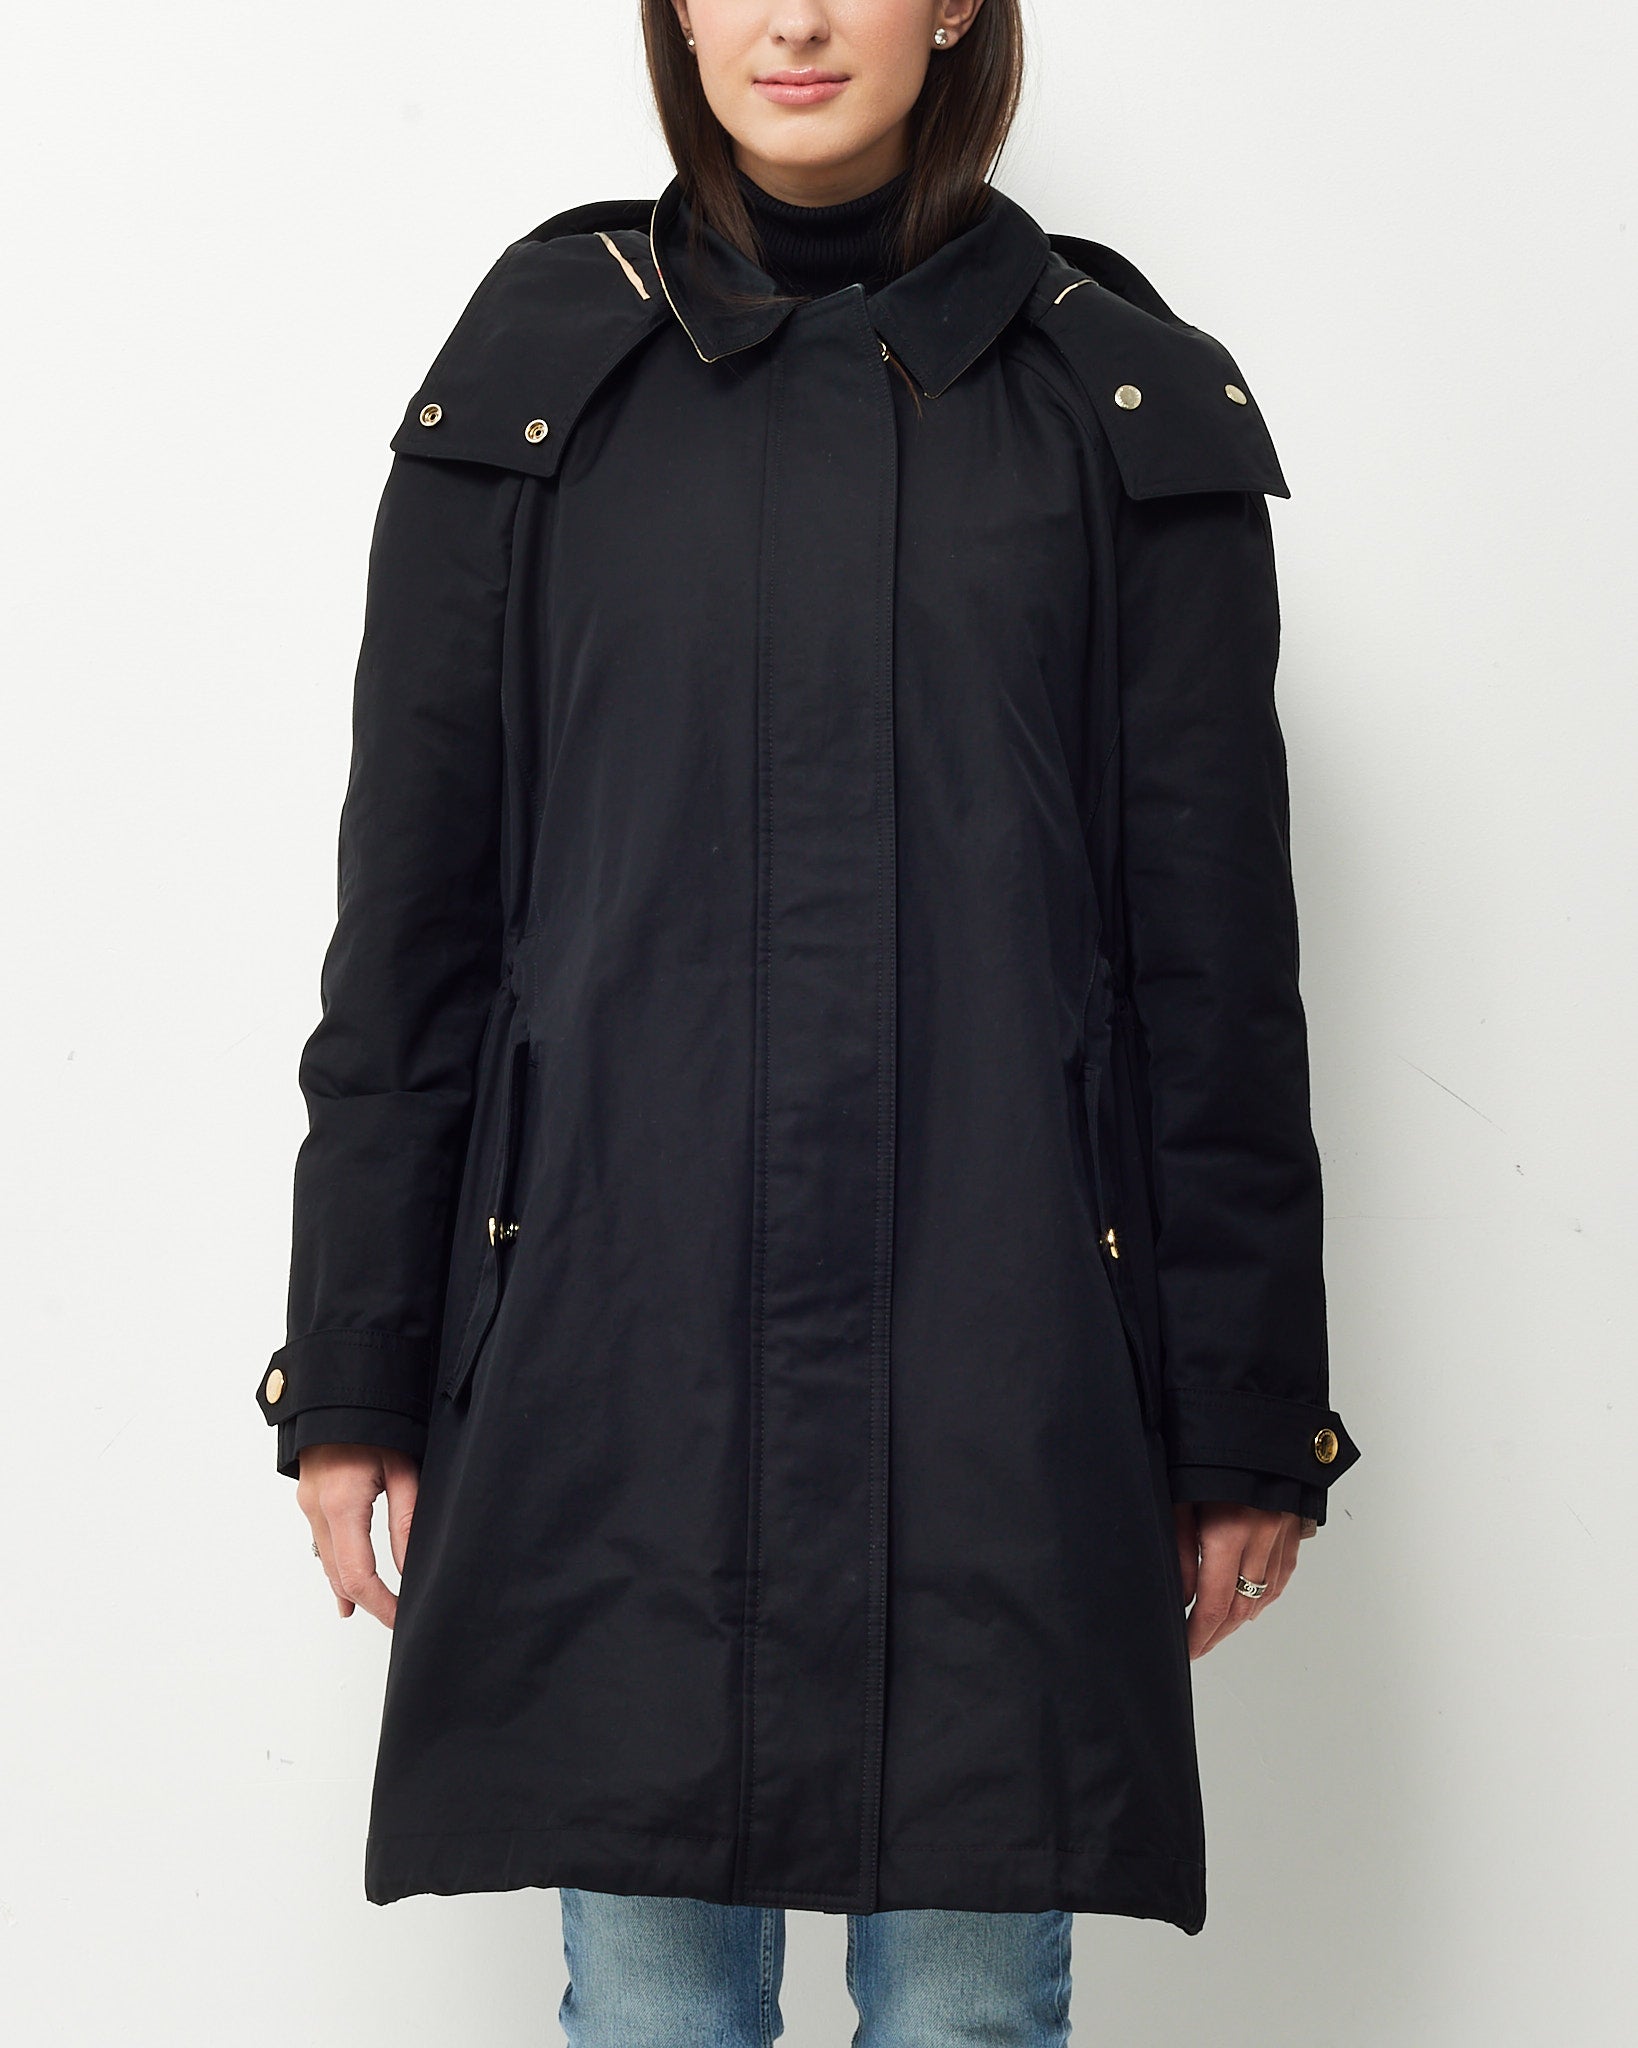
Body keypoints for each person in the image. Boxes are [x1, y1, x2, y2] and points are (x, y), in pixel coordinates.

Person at [257, 2, 1361, 2040]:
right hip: (611, 1351)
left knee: (966, 2008)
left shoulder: (1115, 404)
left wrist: (1242, 1414)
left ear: (952, 6)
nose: (789, 20)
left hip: (1004, 1371)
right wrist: (354, 1371)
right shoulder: (540, 385)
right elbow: (413, 933)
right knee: (651, 2009)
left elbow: (1216, 969)